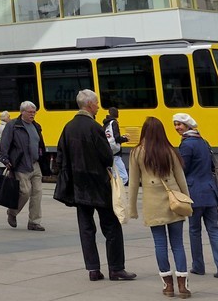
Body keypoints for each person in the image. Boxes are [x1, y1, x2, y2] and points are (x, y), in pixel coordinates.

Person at [54, 89, 135, 282]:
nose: (98, 106)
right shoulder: (94, 127)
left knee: (86, 228)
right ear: (89, 104)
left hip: (79, 188)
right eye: (97, 103)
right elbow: (107, 156)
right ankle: (116, 269)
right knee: (111, 227)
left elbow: (60, 156)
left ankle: (93, 269)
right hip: (99, 186)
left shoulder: (68, 127)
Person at [126, 117, 191, 298]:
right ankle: (183, 286)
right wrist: (187, 200)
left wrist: (132, 208)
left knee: (159, 244)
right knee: (178, 244)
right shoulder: (170, 150)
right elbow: (181, 179)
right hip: (175, 202)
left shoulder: (137, 153)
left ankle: (168, 286)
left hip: (152, 204)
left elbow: (132, 184)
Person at [173, 113, 218, 278]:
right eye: (175, 125)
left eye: (180, 124)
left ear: (188, 126)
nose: (177, 127)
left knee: (194, 230)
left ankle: (198, 266)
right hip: (211, 193)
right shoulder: (203, 142)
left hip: (194, 193)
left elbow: (183, 170)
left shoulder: (186, 145)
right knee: (214, 229)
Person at [0, 100, 45, 230]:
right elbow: (5, 144)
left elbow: (40, 144)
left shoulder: (36, 126)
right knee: (25, 192)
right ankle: (12, 213)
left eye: (34, 112)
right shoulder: (13, 126)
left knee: (37, 193)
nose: (32, 115)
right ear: (22, 112)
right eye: (30, 112)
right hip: (21, 164)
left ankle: (34, 222)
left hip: (35, 164)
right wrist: (5, 159)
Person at [103, 106, 128, 182]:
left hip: (109, 151)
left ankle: (114, 190)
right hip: (115, 153)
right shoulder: (114, 123)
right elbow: (116, 138)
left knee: (114, 175)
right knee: (124, 177)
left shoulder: (106, 124)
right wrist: (125, 139)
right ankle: (117, 191)